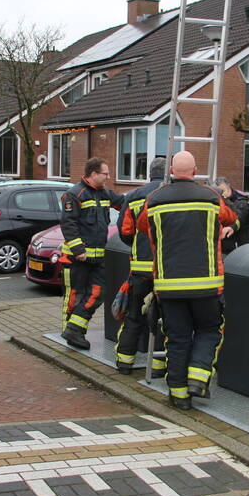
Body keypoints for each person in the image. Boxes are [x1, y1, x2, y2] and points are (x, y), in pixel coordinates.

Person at [137, 151, 237, 410]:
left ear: (171, 171)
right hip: (207, 284)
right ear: (194, 172)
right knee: (209, 330)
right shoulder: (212, 197)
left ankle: (179, 396)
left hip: (168, 286)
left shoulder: (154, 200)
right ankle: (198, 378)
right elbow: (231, 218)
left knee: (177, 338)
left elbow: (141, 227)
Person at [59, 157, 124, 349]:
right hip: (76, 259)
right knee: (75, 297)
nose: (109, 177)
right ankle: (71, 335)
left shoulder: (104, 193)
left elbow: (124, 202)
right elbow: (68, 224)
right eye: (105, 173)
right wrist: (78, 250)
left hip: (97, 258)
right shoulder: (74, 194)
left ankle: (73, 329)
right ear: (94, 174)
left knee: (98, 293)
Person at [114, 157, 167, 376]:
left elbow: (124, 232)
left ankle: (124, 362)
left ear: (149, 173)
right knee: (164, 319)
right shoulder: (171, 194)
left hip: (139, 269)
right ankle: (157, 367)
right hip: (165, 271)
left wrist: (137, 245)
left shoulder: (134, 196)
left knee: (134, 315)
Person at [214, 177, 248, 255]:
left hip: (239, 242)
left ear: (228, 186)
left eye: (223, 191)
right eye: (220, 192)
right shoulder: (217, 200)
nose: (222, 194)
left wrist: (224, 200)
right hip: (224, 243)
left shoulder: (241, 199)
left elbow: (241, 216)